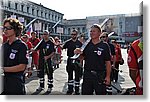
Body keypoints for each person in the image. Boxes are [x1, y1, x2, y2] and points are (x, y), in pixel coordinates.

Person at [74, 24, 111, 95]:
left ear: (99, 33)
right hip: (87, 74)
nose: (91, 33)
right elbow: (82, 58)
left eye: (94, 31)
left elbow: (108, 62)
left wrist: (108, 76)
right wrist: (78, 53)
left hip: (100, 75)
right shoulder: (86, 45)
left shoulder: (104, 45)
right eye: (90, 31)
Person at [1, 18, 28, 95]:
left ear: (16, 30)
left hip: (15, 83)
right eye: (4, 28)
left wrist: (3, 69)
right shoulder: (4, 46)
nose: (5, 30)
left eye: (8, 28)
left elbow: (22, 66)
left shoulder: (21, 45)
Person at [63, 29, 82, 95]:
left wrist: (81, 63)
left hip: (77, 60)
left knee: (77, 76)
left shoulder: (79, 43)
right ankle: (70, 89)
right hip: (70, 59)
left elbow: (82, 53)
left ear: (76, 35)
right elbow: (62, 47)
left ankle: (77, 90)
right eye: (72, 34)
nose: (73, 36)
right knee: (70, 75)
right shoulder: (68, 42)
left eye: (74, 34)